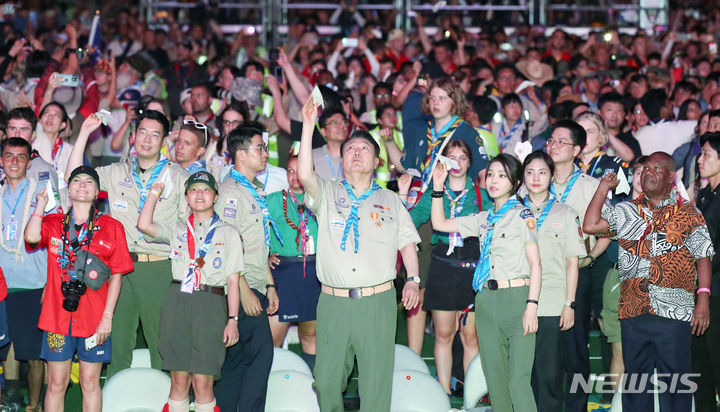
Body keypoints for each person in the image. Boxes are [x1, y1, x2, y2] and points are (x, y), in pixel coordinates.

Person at [297, 97, 421, 411]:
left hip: (377, 302)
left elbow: (407, 242)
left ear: (377, 161)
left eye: (364, 148)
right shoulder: (327, 192)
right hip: (334, 301)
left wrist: (413, 280)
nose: (355, 152)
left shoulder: (389, 200)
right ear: (341, 158)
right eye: (350, 149)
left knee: (376, 383)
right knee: (326, 381)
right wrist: (309, 124)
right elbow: (304, 176)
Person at [584, 152, 714, 411]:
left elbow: (703, 257)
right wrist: (602, 189)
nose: (648, 173)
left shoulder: (689, 213)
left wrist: (703, 299)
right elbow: (590, 225)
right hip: (634, 310)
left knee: (675, 385)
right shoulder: (626, 210)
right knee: (637, 384)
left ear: (670, 176)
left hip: (674, 312)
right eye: (645, 169)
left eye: (656, 168)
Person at [66, 110, 190, 378]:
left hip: (159, 268)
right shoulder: (117, 171)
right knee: (118, 340)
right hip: (119, 269)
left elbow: (187, 230)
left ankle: (165, 401)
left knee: (161, 342)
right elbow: (75, 177)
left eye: (155, 135)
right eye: (143, 132)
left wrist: (154, 231)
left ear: (164, 140)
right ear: (133, 136)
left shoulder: (178, 177)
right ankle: (113, 398)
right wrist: (85, 133)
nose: (147, 139)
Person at [431, 154, 541, 412]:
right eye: (490, 174)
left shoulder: (522, 215)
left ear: (515, 182)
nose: (494, 180)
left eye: (502, 175)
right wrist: (437, 187)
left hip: (517, 298)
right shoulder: (483, 218)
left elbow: (536, 264)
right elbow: (440, 223)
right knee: (495, 379)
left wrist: (532, 305)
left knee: (518, 381)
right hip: (486, 300)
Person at [24, 165, 133, 412]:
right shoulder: (53, 223)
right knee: (55, 383)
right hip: (56, 318)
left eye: (89, 182)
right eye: (77, 181)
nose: (82, 185)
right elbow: (31, 237)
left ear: (97, 192)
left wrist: (107, 317)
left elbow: (117, 274)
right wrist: (40, 206)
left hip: (94, 319)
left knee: (90, 382)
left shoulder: (111, 227)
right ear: (69, 189)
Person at [137, 171, 242, 412]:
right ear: (186, 196)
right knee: (179, 379)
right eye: (194, 189)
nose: (200, 194)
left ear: (216, 196)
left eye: (206, 189)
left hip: (211, 304)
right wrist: (155, 192)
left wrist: (233, 320)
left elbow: (233, 281)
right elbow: (143, 225)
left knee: (203, 381)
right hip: (178, 301)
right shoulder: (177, 229)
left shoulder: (228, 233)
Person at [398, 139, 490, 395]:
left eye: (463, 158)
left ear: (470, 162)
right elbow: (408, 222)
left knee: (470, 336)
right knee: (443, 333)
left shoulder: (482, 196)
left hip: (472, 266)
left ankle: (472, 392)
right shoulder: (432, 193)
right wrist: (404, 194)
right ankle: (443, 392)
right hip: (442, 266)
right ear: (443, 162)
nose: (457, 164)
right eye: (452, 158)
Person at [542, 119, 611, 412]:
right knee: (543, 347)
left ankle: (575, 408)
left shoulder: (590, 186)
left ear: (577, 150)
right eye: (551, 141)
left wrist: (592, 256)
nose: (553, 145)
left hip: (576, 273)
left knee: (574, 348)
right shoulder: (535, 181)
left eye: (561, 142)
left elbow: (610, 229)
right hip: (541, 276)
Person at [213, 124, 279, 412]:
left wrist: (269, 284)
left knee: (236, 362)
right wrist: (246, 292)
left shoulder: (253, 190)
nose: (265, 154)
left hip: (252, 284)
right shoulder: (230, 192)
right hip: (237, 288)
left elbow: (256, 244)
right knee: (260, 358)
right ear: (241, 154)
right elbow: (226, 246)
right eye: (260, 148)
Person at [522, 151, 585, 412]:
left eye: (542, 172)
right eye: (529, 172)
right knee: (522, 375)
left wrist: (569, 304)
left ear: (551, 176)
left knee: (548, 376)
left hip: (551, 303)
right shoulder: (512, 211)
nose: (536, 178)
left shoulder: (566, 214)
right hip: (517, 301)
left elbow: (573, 262)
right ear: (522, 177)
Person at [0, 137, 57, 412]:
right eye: (8, 156)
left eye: (20, 157)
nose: (13, 161)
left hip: (34, 282)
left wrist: (52, 281)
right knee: (6, 345)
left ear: (28, 162)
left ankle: (35, 404)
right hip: (2, 283)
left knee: (34, 352)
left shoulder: (42, 193)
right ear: (1, 160)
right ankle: (11, 398)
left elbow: (57, 239)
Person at [266, 156, 320, 371]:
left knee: (311, 333)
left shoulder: (322, 199)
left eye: (299, 170)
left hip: (315, 272)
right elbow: (257, 235)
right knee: (273, 337)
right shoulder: (272, 200)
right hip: (283, 273)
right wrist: (266, 255)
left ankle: (312, 387)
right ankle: (271, 387)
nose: (294, 175)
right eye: (289, 170)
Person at [693, 133, 720, 411]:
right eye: (701, 154)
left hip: (714, 290)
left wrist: (699, 262)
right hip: (699, 288)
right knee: (699, 365)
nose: (700, 160)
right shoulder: (703, 194)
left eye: (707, 154)